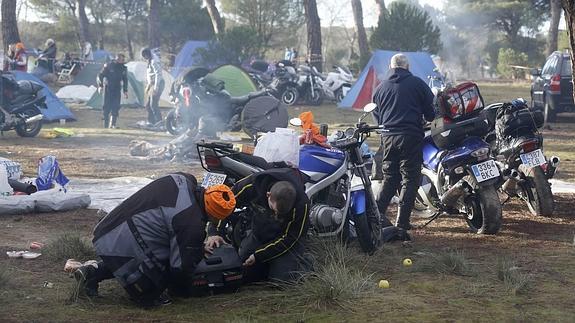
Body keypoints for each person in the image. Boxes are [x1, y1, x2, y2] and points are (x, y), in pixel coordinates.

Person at [74, 174, 236, 307]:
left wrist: (194, 247)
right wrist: (186, 287)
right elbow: (179, 267)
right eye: (215, 219)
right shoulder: (191, 223)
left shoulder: (184, 179)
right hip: (125, 239)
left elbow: (174, 226)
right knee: (154, 284)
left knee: (152, 252)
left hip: (110, 228)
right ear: (213, 214)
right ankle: (144, 292)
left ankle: (92, 273)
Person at [206, 168, 311, 282]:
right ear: (268, 195)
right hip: (260, 231)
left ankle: (304, 262)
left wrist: (258, 255)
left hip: (286, 239)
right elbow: (225, 204)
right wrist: (215, 232)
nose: (276, 216)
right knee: (242, 271)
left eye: (281, 214)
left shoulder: (301, 204)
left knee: (281, 281)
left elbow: (290, 238)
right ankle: (267, 266)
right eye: (274, 210)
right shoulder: (252, 184)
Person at [372, 53, 435, 231]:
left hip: (388, 138)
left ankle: (375, 217)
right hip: (410, 136)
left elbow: (377, 116)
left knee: (390, 178)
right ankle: (402, 222)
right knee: (411, 178)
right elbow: (431, 110)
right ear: (407, 67)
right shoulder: (417, 83)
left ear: (391, 68)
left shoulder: (380, 88)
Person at [97, 53, 128, 128]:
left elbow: (125, 79)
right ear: (116, 59)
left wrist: (125, 90)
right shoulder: (109, 65)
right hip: (108, 88)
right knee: (106, 108)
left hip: (117, 89)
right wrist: (100, 86)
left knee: (116, 107)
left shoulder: (123, 68)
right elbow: (100, 75)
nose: (122, 61)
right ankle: (106, 125)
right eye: (120, 59)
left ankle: (113, 124)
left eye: (123, 60)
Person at [141, 47, 164, 126]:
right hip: (152, 84)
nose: (144, 58)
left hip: (158, 84)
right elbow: (150, 76)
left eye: (144, 56)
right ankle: (151, 122)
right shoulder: (150, 61)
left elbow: (158, 74)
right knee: (148, 105)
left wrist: (156, 88)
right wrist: (148, 86)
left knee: (153, 105)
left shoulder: (154, 61)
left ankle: (159, 122)